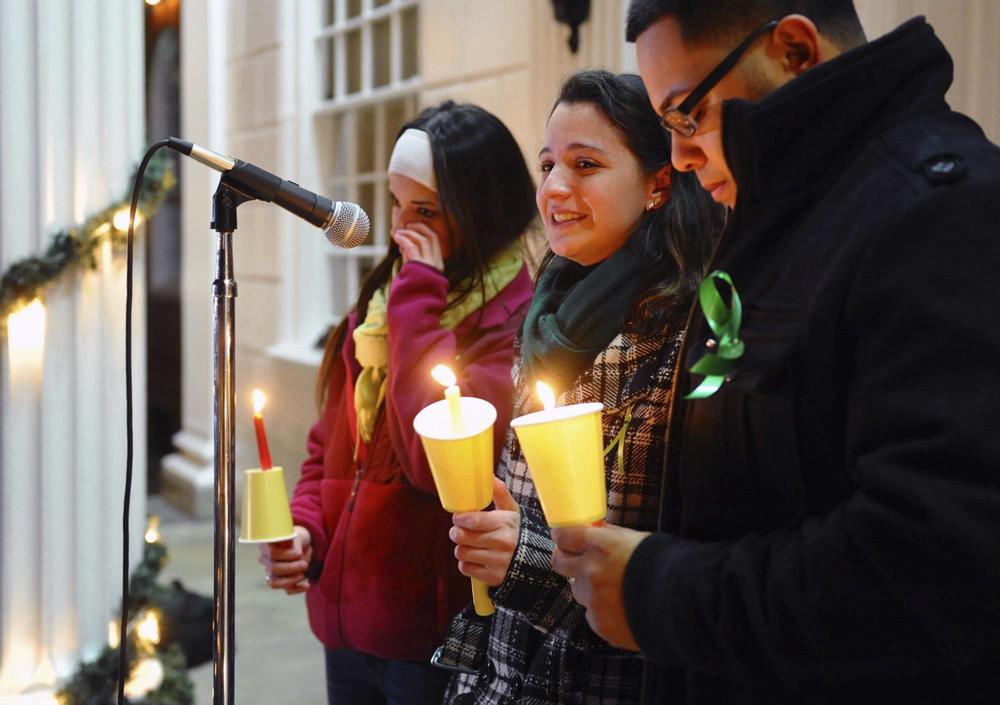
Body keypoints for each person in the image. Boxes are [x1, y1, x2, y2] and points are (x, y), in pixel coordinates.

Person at [550, 2, 1000, 703]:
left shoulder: (941, 209)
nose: (680, 157)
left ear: (793, 50)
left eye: (690, 113)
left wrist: (661, 591)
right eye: (669, 128)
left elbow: (933, 563)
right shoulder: (781, 221)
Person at [439, 69, 725, 705]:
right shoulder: (547, 318)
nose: (555, 189)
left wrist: (527, 562)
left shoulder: (687, 340)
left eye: (586, 164)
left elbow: (669, 575)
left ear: (658, 181)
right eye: (547, 167)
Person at [258, 101, 537, 705]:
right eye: (395, 203)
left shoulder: (508, 324)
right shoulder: (379, 313)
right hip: (346, 624)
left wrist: (419, 295)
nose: (400, 229)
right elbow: (327, 449)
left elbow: (423, 459)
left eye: (427, 211)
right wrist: (307, 529)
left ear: (480, 210)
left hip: (428, 639)